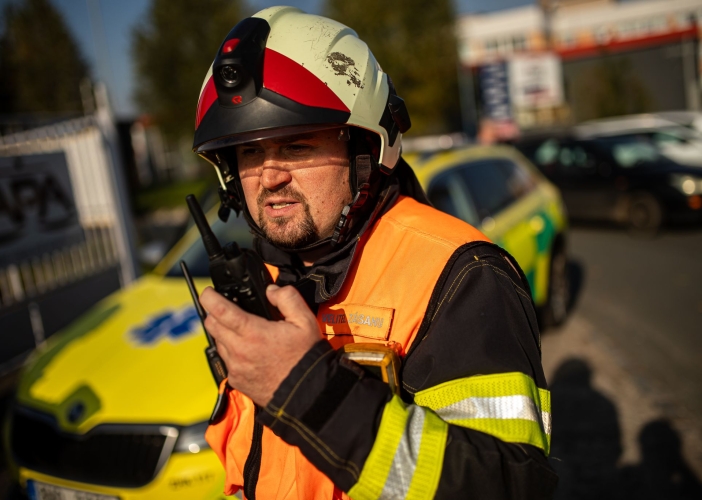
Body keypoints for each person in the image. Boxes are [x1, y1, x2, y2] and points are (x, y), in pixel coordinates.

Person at [195, 6, 557, 499]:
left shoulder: (460, 276)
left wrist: (312, 394)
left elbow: (510, 488)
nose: (270, 176)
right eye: (251, 152)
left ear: (367, 150)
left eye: (297, 147)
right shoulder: (262, 279)